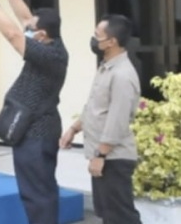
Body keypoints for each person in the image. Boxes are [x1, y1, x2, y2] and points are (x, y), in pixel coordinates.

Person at [0, 0, 69, 224]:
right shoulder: (49, 42)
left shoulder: (49, 54)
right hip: (32, 131)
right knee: (38, 190)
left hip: (37, 133)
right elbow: (26, 19)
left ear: (42, 35)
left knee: (37, 193)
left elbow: (13, 34)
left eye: (33, 29)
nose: (27, 28)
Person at [60, 15, 142, 224]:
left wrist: (101, 155)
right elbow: (95, 107)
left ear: (112, 41)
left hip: (114, 158)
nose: (94, 40)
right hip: (105, 156)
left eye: (98, 36)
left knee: (121, 216)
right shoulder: (107, 67)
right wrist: (74, 128)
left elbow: (117, 120)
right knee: (109, 215)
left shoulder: (122, 75)